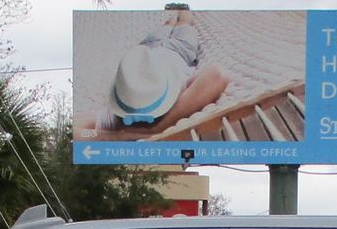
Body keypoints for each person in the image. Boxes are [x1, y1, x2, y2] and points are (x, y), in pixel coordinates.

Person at [76, 9, 228, 140]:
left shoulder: (118, 116)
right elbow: (217, 75)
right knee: (183, 23)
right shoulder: (174, 96)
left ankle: (179, 8)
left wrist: (133, 133)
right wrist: (154, 129)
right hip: (180, 50)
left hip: (146, 52)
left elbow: (76, 130)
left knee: (174, 22)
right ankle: (180, 10)